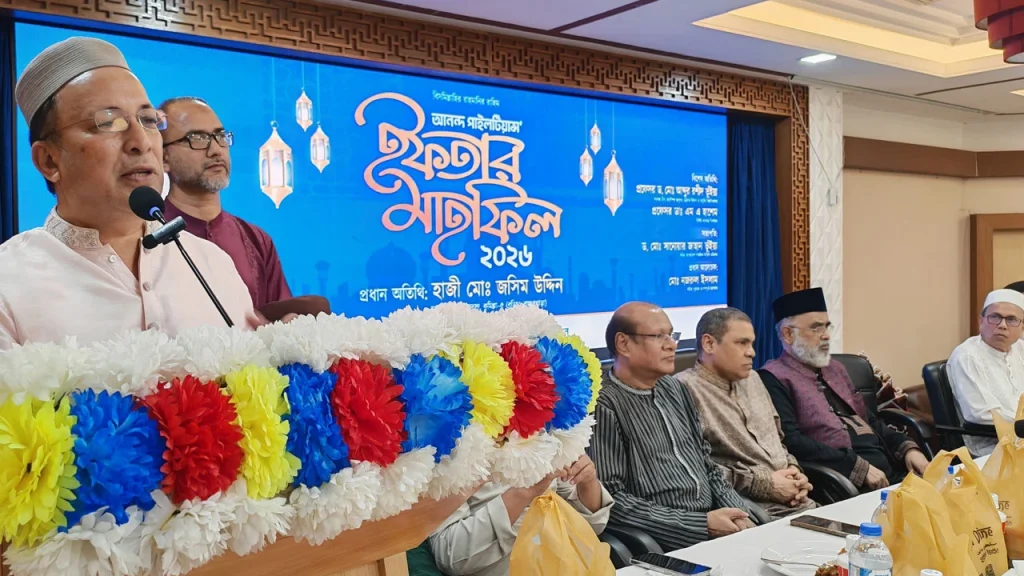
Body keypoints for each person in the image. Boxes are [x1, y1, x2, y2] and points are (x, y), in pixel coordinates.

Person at [0, 37, 257, 350]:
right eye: (108, 122)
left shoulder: (211, 263)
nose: (141, 142)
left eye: (148, 120)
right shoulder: (8, 282)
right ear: (49, 161)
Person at [588, 302, 756, 552]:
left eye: (671, 335)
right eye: (659, 336)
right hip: (666, 540)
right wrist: (701, 525)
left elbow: (707, 465)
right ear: (623, 344)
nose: (672, 345)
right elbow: (613, 500)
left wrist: (740, 515)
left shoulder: (675, 389)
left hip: (716, 525)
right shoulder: (602, 404)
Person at [761, 288, 929, 491]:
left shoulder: (836, 369)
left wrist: (908, 449)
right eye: (816, 328)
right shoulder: (773, 377)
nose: (826, 336)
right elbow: (792, 442)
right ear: (788, 334)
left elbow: (869, 421)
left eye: (826, 327)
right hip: (842, 482)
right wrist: (858, 468)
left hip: (889, 470)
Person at [679, 307, 816, 520]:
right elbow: (695, 469)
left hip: (801, 504)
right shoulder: (683, 390)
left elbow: (778, 441)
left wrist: (794, 472)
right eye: (741, 343)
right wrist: (767, 485)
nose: (751, 352)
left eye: (751, 343)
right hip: (751, 514)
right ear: (709, 344)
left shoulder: (753, 378)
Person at [159, 96, 292, 310]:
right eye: (197, 139)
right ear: (163, 157)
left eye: (220, 136)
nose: (216, 150)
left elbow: (282, 322)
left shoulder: (256, 240)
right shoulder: (146, 236)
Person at [429, 455, 612, 576]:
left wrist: (587, 481)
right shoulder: (449, 449)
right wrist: (523, 494)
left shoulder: (545, 428)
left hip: (569, 565)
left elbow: (592, 527)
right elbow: (450, 557)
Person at [947, 288, 1024, 456]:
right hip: (992, 447)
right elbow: (979, 414)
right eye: (995, 317)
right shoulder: (967, 356)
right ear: (981, 321)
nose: (1002, 325)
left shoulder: (1020, 348)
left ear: (1022, 326)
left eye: (1011, 319)